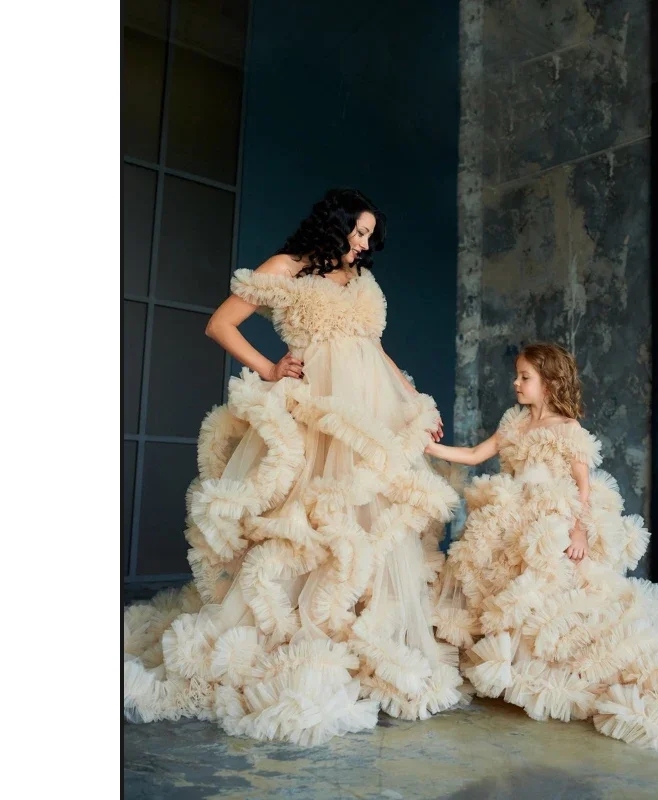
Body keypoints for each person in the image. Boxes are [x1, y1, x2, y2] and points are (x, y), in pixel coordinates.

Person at [124, 188, 468, 745]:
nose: (362, 245)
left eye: (368, 237)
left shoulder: (361, 281)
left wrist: (415, 403)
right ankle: (296, 638)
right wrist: (270, 367)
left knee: (365, 520)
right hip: (315, 409)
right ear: (332, 226)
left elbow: (375, 350)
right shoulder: (286, 268)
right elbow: (221, 324)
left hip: (368, 411)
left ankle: (357, 636)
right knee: (307, 519)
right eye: (356, 232)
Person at [427, 343, 658, 750]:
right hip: (511, 520)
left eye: (524, 377)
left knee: (551, 601)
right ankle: (506, 672)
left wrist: (579, 532)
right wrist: (427, 447)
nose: (516, 382)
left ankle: (549, 675)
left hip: (552, 523)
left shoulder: (569, 430)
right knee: (501, 591)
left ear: (549, 383)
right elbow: (478, 454)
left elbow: (583, 488)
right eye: (517, 375)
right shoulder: (514, 422)